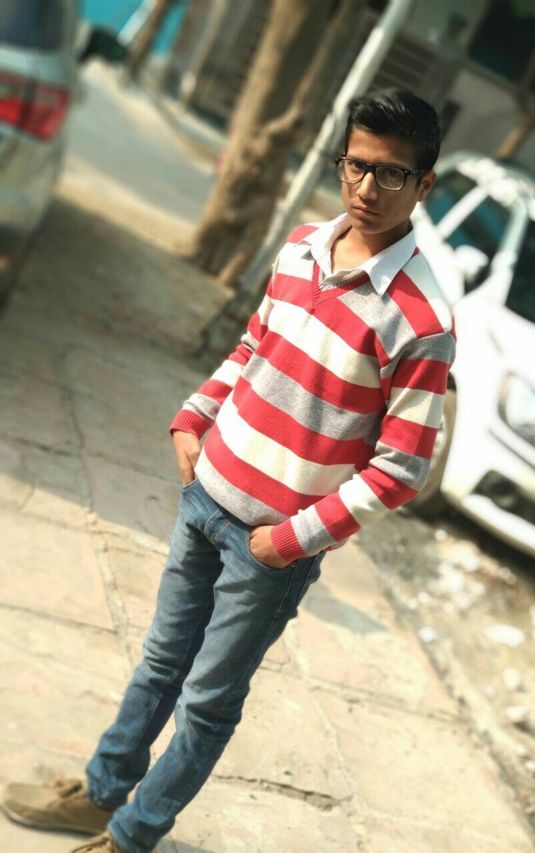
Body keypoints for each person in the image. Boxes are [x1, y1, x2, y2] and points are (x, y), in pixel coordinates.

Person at [0, 88, 455, 852]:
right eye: (356, 165)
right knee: (159, 663)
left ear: (424, 184)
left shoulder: (422, 318)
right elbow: (252, 348)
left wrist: (292, 540)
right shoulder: (301, 248)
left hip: (271, 549)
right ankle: (101, 792)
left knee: (207, 702)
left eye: (391, 174)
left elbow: (401, 468)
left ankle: (133, 835)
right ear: (341, 160)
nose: (367, 188)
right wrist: (194, 417)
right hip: (204, 495)